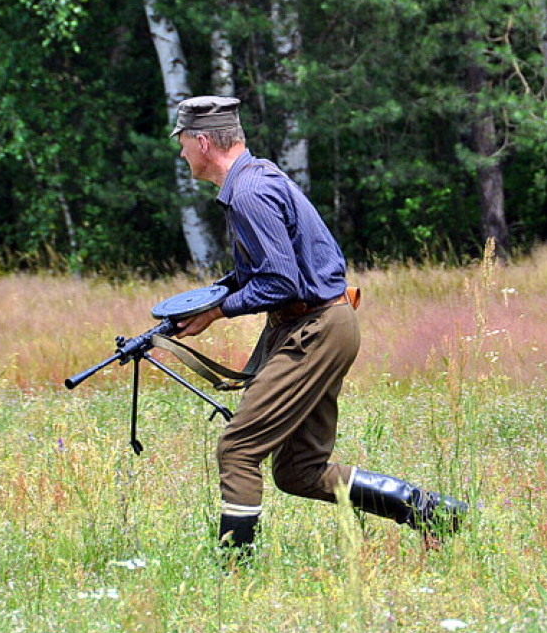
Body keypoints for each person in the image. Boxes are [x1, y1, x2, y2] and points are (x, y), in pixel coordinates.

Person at [170, 95, 467, 558]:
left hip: (314, 329)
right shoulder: (257, 178)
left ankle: (234, 571)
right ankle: (434, 513)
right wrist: (203, 302)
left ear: (203, 142)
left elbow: (280, 282)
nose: (181, 151)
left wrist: (216, 312)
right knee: (299, 471)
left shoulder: (248, 193)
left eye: (184, 141)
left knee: (238, 449)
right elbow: (263, 271)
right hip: (322, 324)